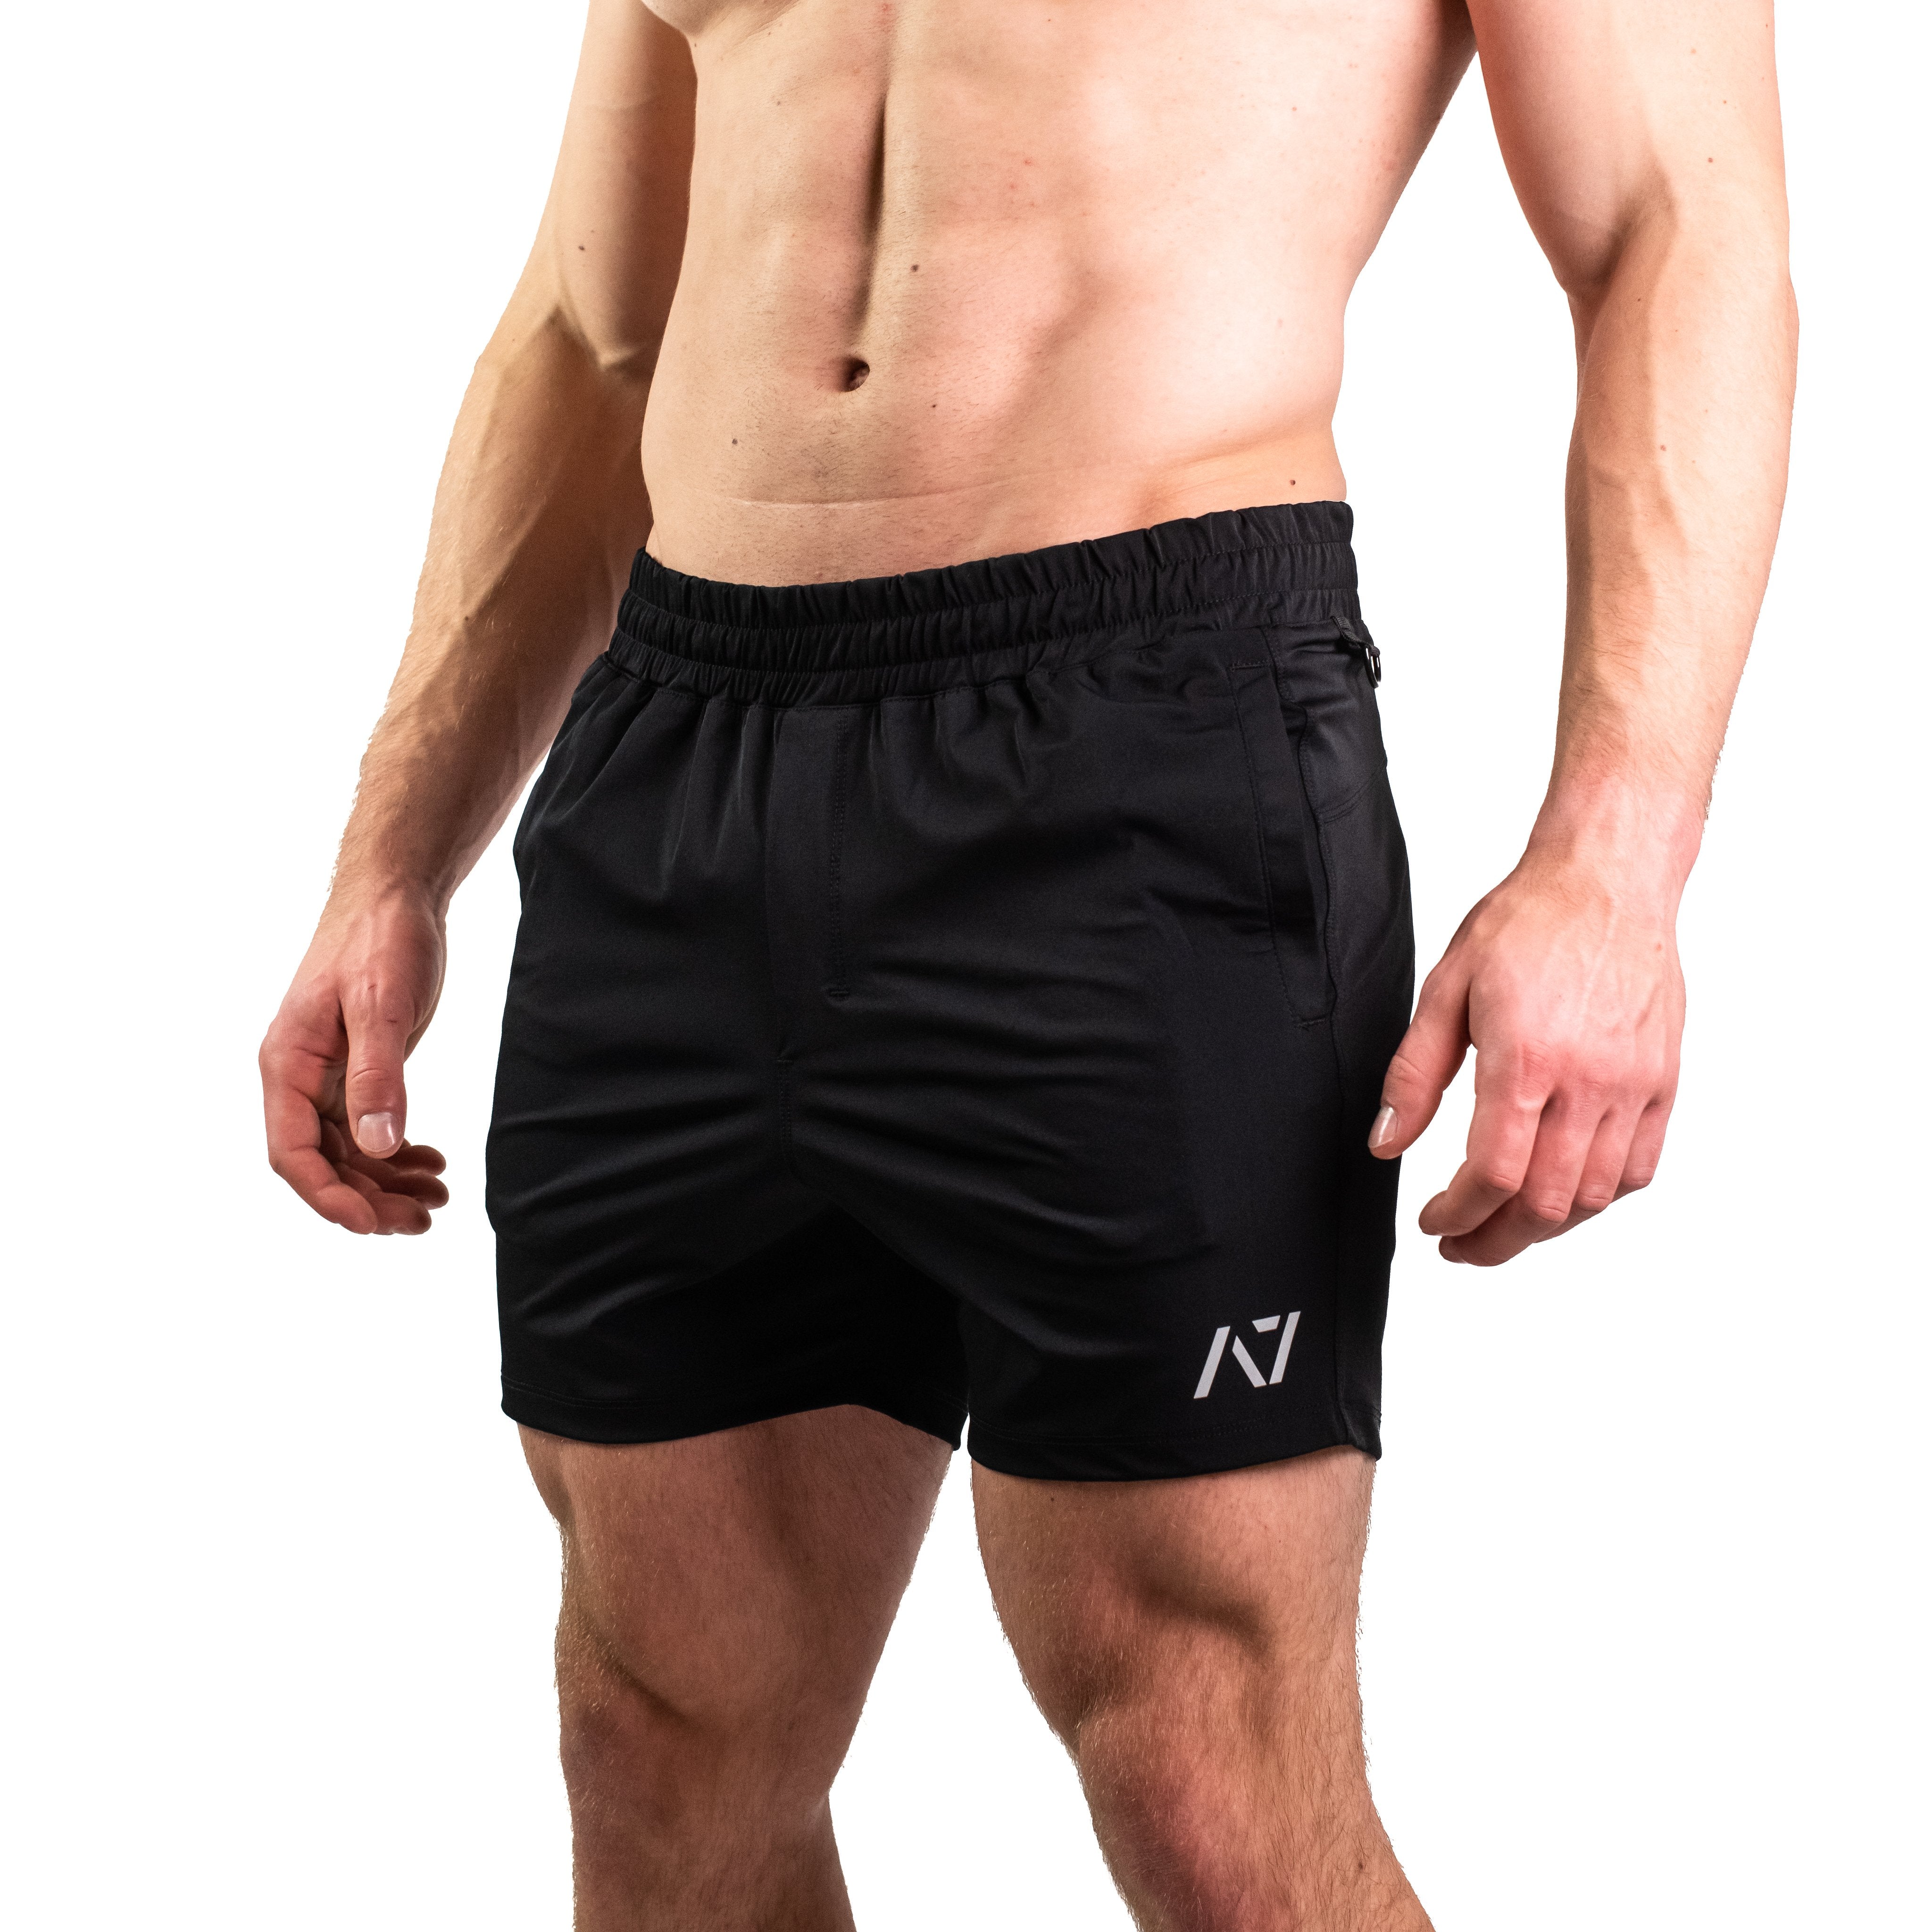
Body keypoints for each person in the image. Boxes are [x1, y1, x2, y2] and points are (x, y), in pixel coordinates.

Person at [259, 0, 1795, 1922]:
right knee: (659, 1741)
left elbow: (1675, 221)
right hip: (682, 750)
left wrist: (1614, 862)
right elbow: (593, 329)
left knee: (1203, 1766)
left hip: (1142, 738)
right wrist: (392, 856)